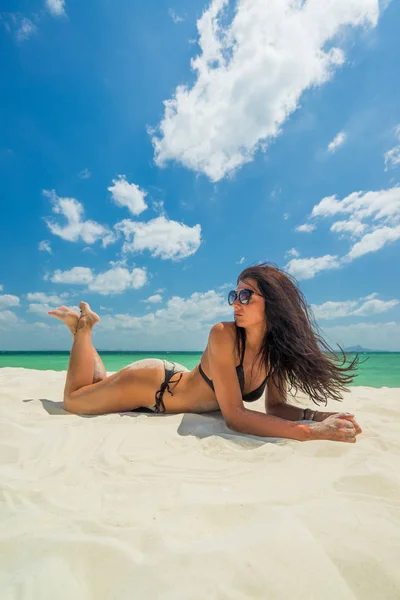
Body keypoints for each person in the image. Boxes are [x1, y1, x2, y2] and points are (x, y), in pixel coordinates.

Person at [48, 263, 362, 443]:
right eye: (234, 294)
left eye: (245, 295)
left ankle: (84, 335)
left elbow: (276, 408)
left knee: (101, 383)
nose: (235, 302)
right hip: (153, 386)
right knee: (75, 400)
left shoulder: (274, 352)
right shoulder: (223, 334)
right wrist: (310, 432)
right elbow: (236, 418)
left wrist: (320, 416)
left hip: (172, 382)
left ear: (273, 303)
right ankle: (84, 328)